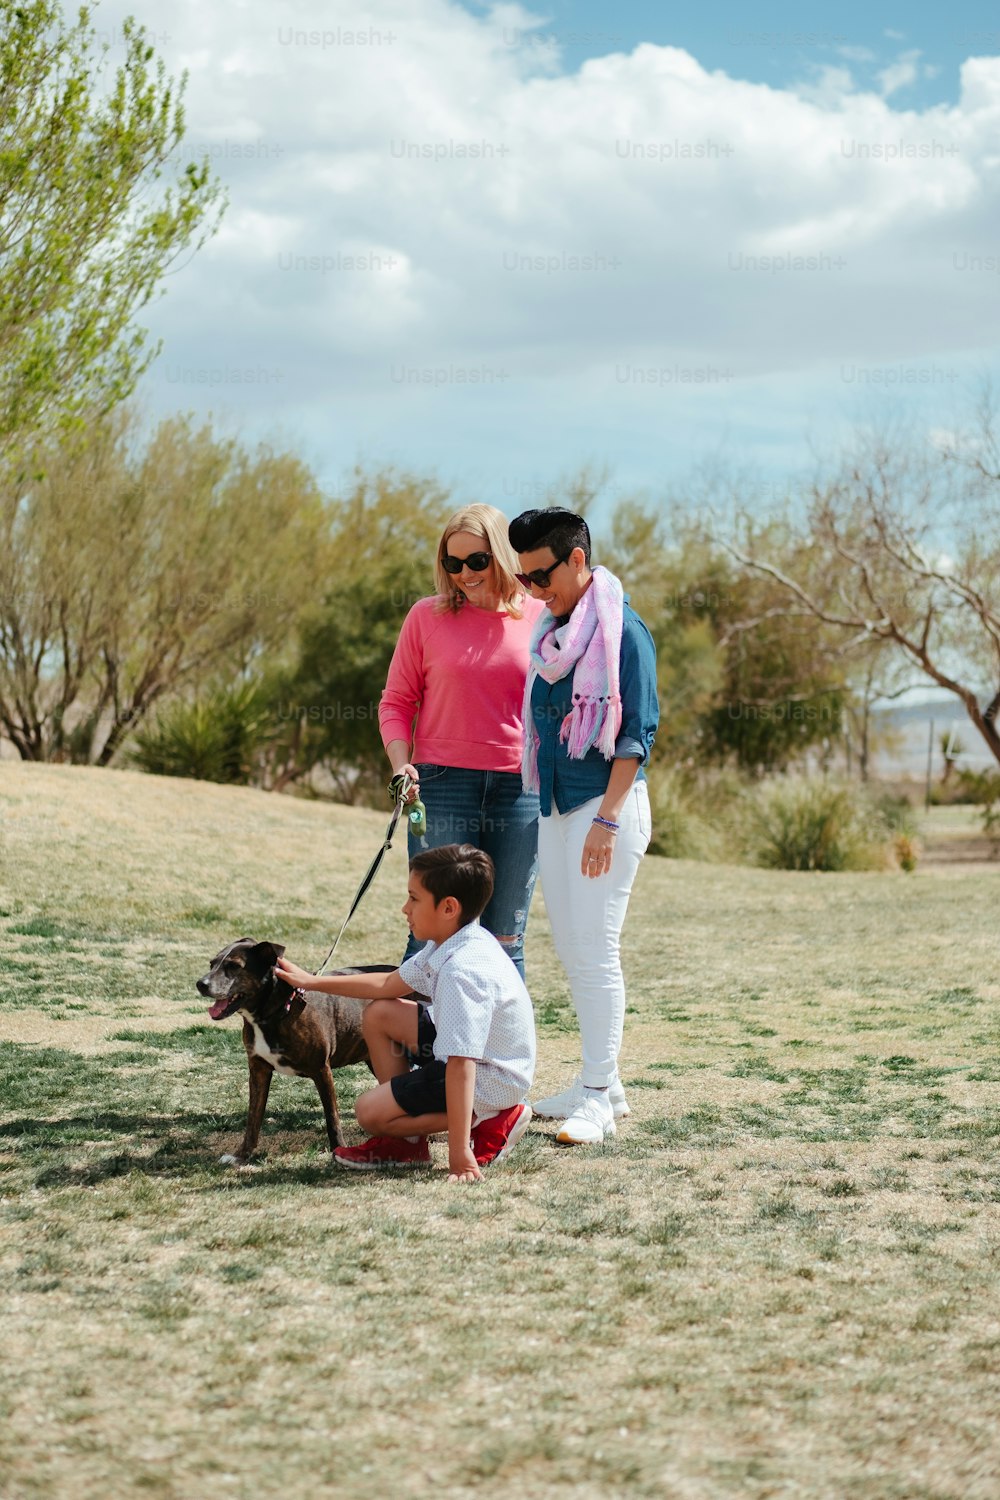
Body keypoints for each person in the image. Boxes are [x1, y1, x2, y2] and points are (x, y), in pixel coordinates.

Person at [508, 506, 658, 1146]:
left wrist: (605, 818)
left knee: (596, 951)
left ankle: (596, 1097)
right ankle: (605, 1081)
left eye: (542, 576)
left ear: (576, 559)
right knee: (572, 950)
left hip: (605, 810)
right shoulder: (552, 634)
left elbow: (636, 734)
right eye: (524, 581)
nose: (534, 592)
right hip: (556, 807)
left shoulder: (624, 632)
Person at [275, 844, 536, 1183]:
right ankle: (409, 1143)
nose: (404, 908)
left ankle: (494, 1116)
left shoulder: (462, 972)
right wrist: (311, 982)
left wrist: (459, 1153)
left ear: (448, 907)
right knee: (380, 1014)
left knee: (369, 1112)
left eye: (414, 898)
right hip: (479, 1058)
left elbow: (461, 1065)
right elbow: (387, 983)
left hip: (491, 1077)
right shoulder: (454, 939)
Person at [379, 504, 544, 981]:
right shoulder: (425, 617)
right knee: (432, 933)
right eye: (453, 564)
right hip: (440, 784)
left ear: (501, 555)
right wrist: (399, 764)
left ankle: (501, 1056)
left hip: (521, 791)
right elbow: (395, 702)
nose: (465, 575)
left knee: (503, 936)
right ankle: (419, 1053)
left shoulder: (541, 617)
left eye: (477, 561)